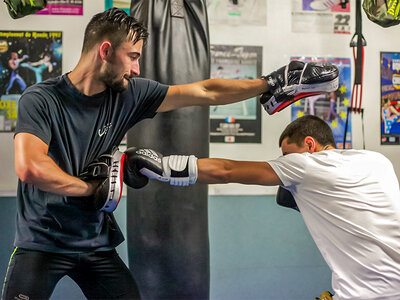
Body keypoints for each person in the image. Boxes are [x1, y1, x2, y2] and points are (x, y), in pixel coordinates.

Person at [3, 7, 338, 300]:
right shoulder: (41, 99)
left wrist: (269, 82)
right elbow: (31, 167)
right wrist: (91, 188)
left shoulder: (129, 94)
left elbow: (204, 91)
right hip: (41, 242)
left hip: (94, 242)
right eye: (132, 57)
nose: (136, 69)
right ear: (105, 51)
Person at [133, 115, 400, 300]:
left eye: (287, 155)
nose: (284, 162)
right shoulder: (377, 160)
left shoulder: (305, 165)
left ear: (309, 144)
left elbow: (227, 171)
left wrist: (162, 166)